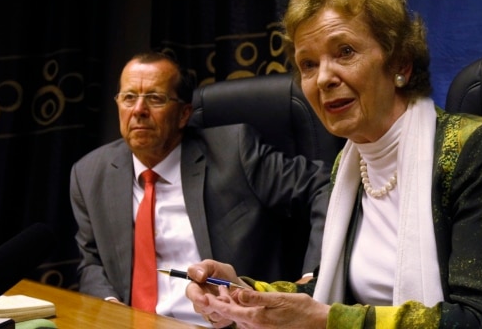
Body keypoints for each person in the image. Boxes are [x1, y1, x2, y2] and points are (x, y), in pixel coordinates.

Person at [184, 0, 482, 328]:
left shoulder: (473, 149)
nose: (324, 78)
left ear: (400, 64)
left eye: (345, 51)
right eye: (308, 64)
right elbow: (322, 296)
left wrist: (327, 321)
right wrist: (241, 293)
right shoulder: (349, 166)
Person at [69, 51, 331, 326]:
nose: (138, 110)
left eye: (155, 98)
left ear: (184, 114)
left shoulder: (233, 152)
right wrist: (112, 309)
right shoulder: (90, 174)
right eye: (129, 97)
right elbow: (92, 261)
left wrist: (314, 277)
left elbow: (323, 185)